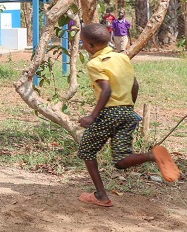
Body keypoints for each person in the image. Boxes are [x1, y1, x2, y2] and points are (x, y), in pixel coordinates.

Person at [76, 23, 179, 207]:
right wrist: (128, 108)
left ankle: (101, 195)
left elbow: (106, 90)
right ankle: (152, 155)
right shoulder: (122, 58)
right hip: (127, 112)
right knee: (121, 160)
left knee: (87, 150)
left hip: (109, 113)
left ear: (91, 46)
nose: (83, 45)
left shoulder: (94, 63)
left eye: (83, 43)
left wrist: (92, 117)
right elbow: (135, 85)